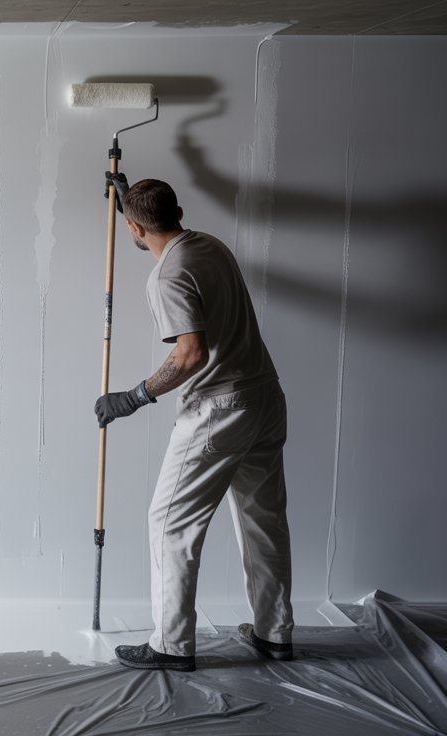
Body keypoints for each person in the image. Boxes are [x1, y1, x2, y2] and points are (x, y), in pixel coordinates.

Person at [95, 176, 294, 671]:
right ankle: (274, 634)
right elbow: (157, 230)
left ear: (133, 226)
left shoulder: (166, 277)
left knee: (170, 523)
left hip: (220, 410)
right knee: (263, 521)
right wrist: (130, 198)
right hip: (264, 397)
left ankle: (171, 645)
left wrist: (133, 397)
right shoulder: (211, 246)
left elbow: (191, 355)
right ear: (177, 211)